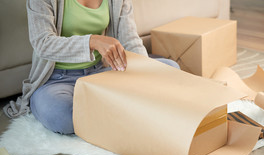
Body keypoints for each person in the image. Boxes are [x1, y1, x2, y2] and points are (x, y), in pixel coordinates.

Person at [3, 0, 179, 134]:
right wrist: (92, 41)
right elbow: (43, 43)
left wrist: (146, 71)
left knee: (171, 69)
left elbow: (130, 40)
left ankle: (112, 107)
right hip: (56, 80)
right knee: (63, 117)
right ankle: (126, 106)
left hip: (101, 72)